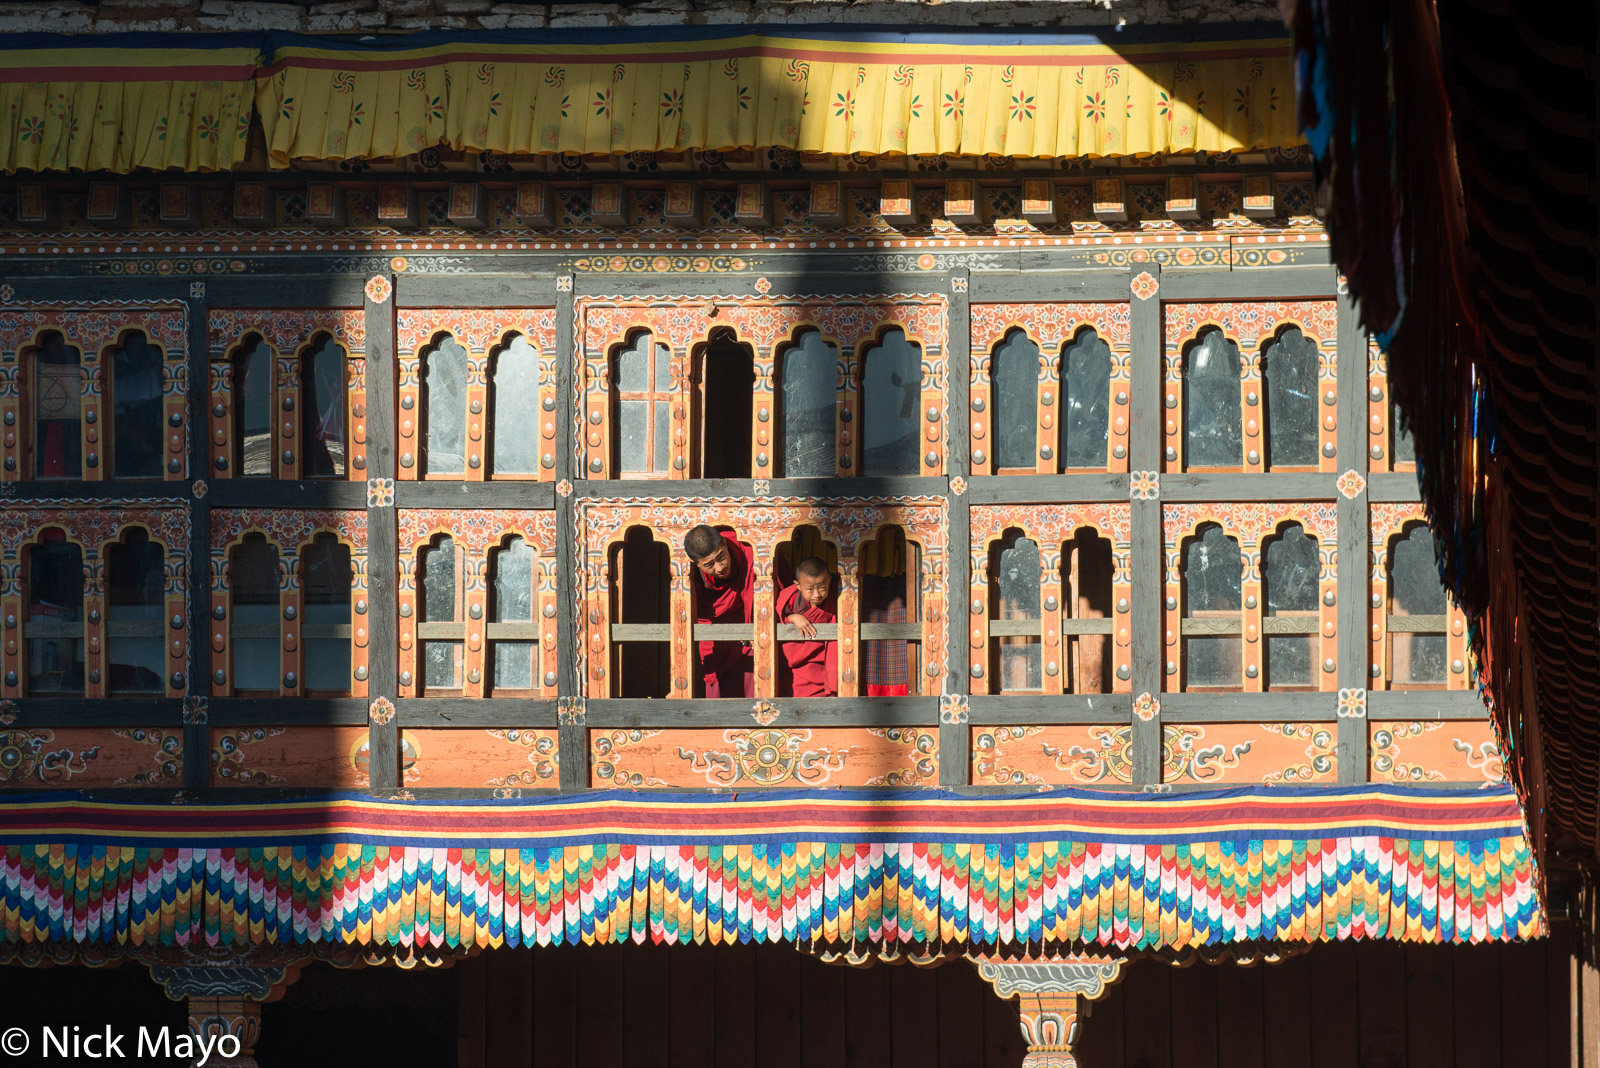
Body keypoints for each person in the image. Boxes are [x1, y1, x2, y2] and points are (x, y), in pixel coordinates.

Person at [685, 524, 756, 698]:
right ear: (697, 564)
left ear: (724, 543)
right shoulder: (692, 578)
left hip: (751, 639)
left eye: (721, 557)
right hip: (715, 639)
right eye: (709, 565)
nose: (719, 568)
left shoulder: (750, 552)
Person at [776, 557, 838, 697]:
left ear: (829, 580)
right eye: (810, 589)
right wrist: (792, 618)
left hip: (824, 668)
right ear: (797, 586)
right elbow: (774, 618)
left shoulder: (837, 600)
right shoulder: (788, 600)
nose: (817, 594)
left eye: (822, 587)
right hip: (797, 670)